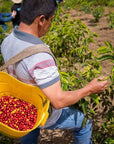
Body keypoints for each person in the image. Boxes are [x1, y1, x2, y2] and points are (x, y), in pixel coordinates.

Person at [1, 0, 108, 144]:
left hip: (22, 101)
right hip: (43, 111)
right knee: (85, 123)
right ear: (41, 19)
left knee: (30, 126)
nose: (50, 24)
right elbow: (58, 101)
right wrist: (89, 89)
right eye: (51, 20)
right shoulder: (40, 57)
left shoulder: (8, 39)